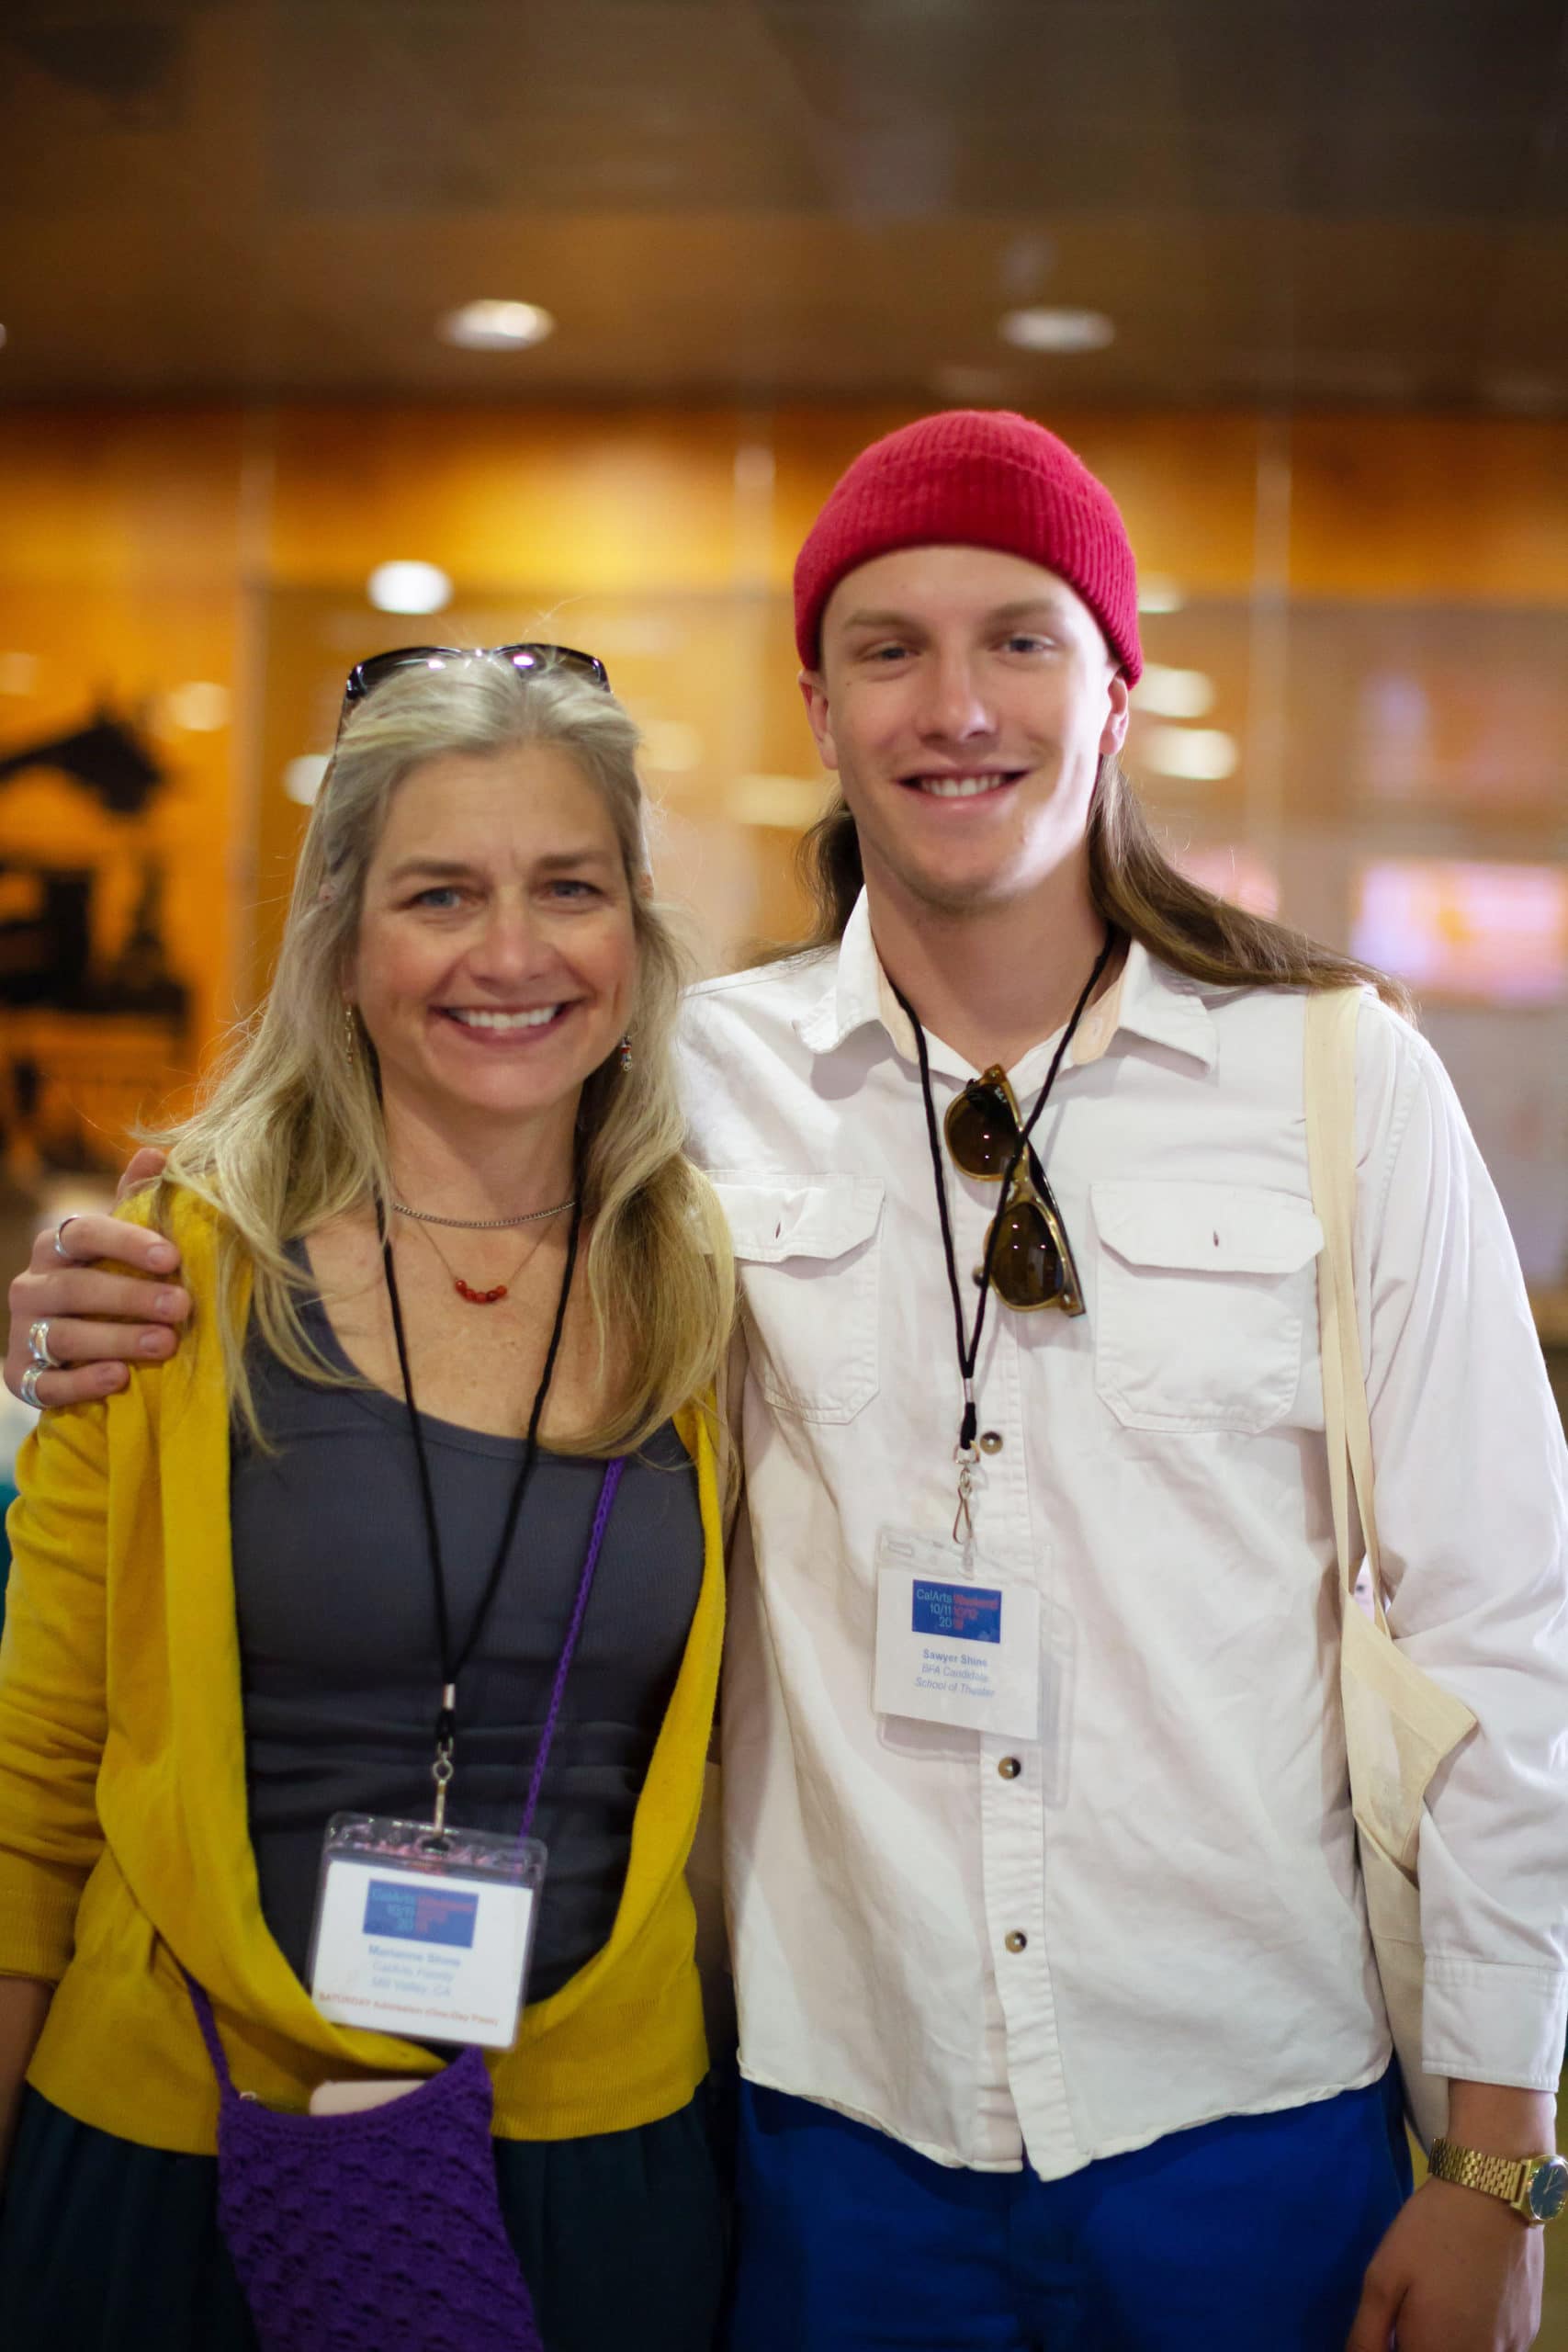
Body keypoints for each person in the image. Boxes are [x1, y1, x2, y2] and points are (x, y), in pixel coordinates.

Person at [11, 413, 1568, 2352]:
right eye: (887, 647)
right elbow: (391, 1193)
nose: (954, 703)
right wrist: (112, 1291)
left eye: (1016, 637)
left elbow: (1501, 1638)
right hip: (828, 2139)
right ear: (816, 705)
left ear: (1114, 689)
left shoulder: (1336, 1080)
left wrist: (1498, 2153)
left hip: (1245, 2118)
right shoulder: (685, 1093)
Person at [0, 647, 735, 2352]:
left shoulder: (716, 1296)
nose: (510, 953)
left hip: (591, 2156)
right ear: (342, 943)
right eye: (439, 894)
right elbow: (34, 1777)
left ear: (637, 927)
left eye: (570, 887)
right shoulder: (181, 1271)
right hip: (173, 2124)